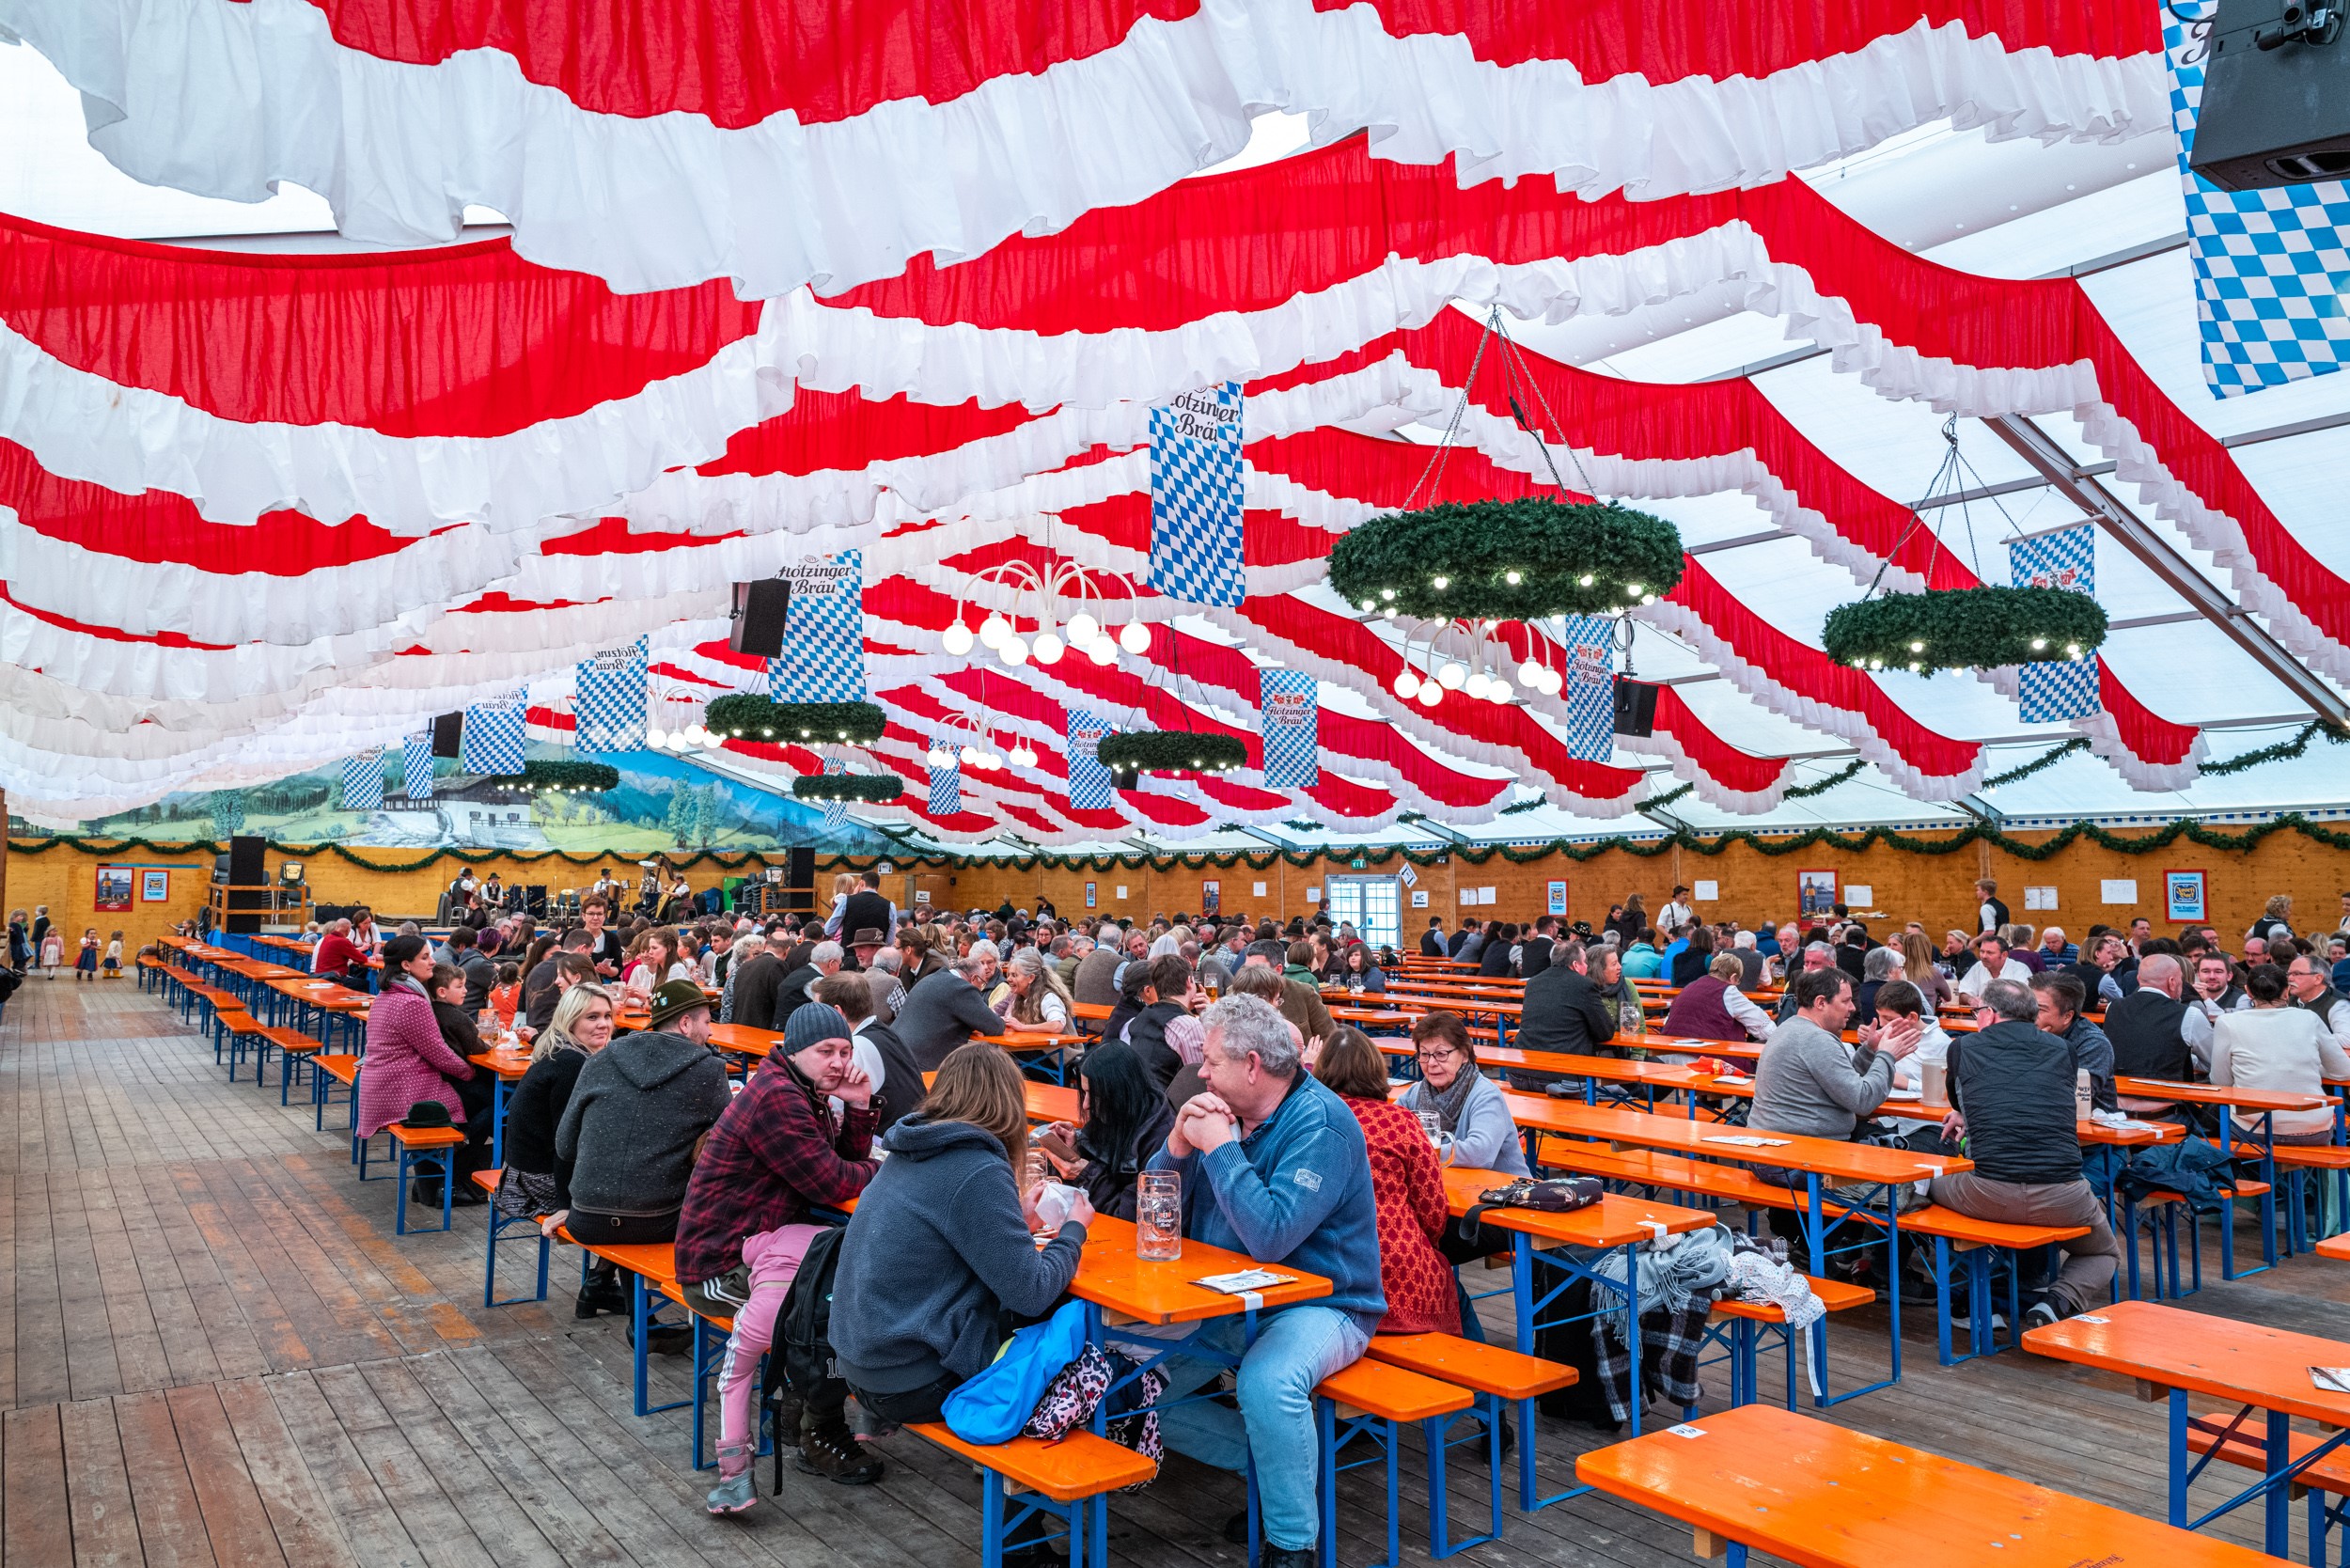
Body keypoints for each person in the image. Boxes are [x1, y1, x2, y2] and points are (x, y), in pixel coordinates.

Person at [1144, 996, 1384, 1568]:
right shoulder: (1217, 1115)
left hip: (1326, 1303)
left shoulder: (1321, 1123)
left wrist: (1221, 1150)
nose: (1200, 1072)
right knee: (1140, 1391)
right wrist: (1176, 1148)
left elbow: (1271, 1235)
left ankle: (1292, 1545)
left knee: (1268, 1382)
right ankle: (1280, 1463)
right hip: (1228, 1298)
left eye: (1210, 1061)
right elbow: (1151, 1215)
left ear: (1252, 1064)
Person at [677, 1003, 884, 1503]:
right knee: (822, 1317)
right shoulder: (777, 1098)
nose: (838, 1061)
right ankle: (818, 1433)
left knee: (832, 1294)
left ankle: (800, 1414)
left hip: (767, 1250)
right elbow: (833, 1180)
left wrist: (858, 1103)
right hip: (720, 1264)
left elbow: (840, 1164)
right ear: (795, 1051)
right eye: (825, 1051)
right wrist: (884, 1173)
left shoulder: (799, 1089)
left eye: (844, 1050)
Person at [830, 1043, 1093, 1428]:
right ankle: (1020, 1478)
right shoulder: (977, 1167)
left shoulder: (912, 1147)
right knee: (1072, 1326)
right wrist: (1074, 1230)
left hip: (859, 1365)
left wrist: (1013, 1218)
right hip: (913, 1381)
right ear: (1007, 1102)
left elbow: (939, 1232)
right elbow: (1031, 1292)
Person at [1930, 979, 2123, 1328]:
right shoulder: (2063, 1050)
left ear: (1988, 1014)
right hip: (2064, 1193)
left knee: (1924, 1183)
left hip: (1986, 1191)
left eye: (1976, 1012)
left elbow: (1960, 1103)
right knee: (2102, 1251)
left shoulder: (1963, 1048)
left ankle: (1972, 1298)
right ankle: (2059, 1299)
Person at [553, 979, 734, 1308]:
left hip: (586, 1219)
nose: (710, 1033)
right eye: (708, 1022)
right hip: (660, 1222)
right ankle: (713, 1312)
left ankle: (630, 1311)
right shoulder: (709, 1070)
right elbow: (723, 1155)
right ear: (685, 1023)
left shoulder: (599, 1060)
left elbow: (564, 1147)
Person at [1314, 1027, 1456, 1336]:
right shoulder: (1400, 1121)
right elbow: (1433, 1210)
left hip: (1323, 1268)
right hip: (1394, 1268)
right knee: (1451, 1286)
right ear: (1375, 1069)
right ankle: (1477, 1376)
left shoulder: (1309, 1119)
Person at [496, 983, 628, 1315]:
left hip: (528, 1169)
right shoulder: (572, 1064)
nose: (604, 1024)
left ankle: (602, 1284)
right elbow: (565, 1144)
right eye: (592, 1017)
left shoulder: (564, 1052)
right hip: (536, 1180)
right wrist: (570, 1204)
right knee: (636, 1202)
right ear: (570, 1021)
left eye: (608, 1016)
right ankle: (605, 1286)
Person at [356, 936, 491, 1203]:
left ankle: (431, 1184)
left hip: (382, 1086)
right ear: (406, 965)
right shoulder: (412, 1001)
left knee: (477, 1100)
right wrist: (469, 1072)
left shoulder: (389, 994)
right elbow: (438, 1052)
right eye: (425, 957)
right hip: (400, 1091)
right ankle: (454, 1178)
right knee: (495, 1104)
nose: (432, 961)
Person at [1748, 966, 1919, 1156]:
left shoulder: (1789, 1028)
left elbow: (1844, 1086)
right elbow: (1863, 1101)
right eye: (1846, 1001)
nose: (1853, 1007)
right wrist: (1886, 1056)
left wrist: (1870, 1050)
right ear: (1821, 1002)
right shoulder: (1816, 1039)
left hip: (1775, 1149)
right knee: (1904, 1162)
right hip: (1800, 1156)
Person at [1033, 1040, 1177, 1219]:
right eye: (1084, 1093)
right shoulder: (1114, 1116)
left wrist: (1085, 1173)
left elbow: (1133, 1217)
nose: (1086, 1105)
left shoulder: (1160, 1140)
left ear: (1123, 1093)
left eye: (1096, 1096)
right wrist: (1075, 1150)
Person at [2211, 964, 2350, 1148]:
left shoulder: (2228, 1022)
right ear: (2287, 991)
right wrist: (2307, 1066)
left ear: (2248, 992)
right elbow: (2343, 1071)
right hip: (2313, 1127)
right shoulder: (2309, 1018)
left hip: (2253, 1128)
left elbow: (2220, 1081)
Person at [1396, 1011, 1528, 1178]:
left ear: (1464, 1054)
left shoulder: (1486, 1095)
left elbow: (1480, 1153)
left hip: (1506, 1193)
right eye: (1424, 1054)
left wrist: (1419, 1151)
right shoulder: (1416, 1093)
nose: (1431, 1063)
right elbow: (1389, 1127)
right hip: (1452, 1187)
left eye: (1441, 1054)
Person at [1508, 940, 1616, 1090]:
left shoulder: (1533, 983)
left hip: (1518, 1074)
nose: (1587, 967)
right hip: (1559, 1078)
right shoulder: (1584, 985)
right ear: (1576, 965)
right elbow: (1605, 1031)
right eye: (1585, 962)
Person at [895, 948, 1010, 1072]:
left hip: (896, 1053)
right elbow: (995, 1026)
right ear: (974, 978)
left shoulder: (932, 978)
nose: (981, 989)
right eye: (981, 983)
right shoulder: (961, 988)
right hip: (920, 1065)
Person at [2104, 952, 2211, 1083]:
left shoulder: (2112, 1007)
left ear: (2139, 979)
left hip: (2117, 1094)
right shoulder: (2190, 1014)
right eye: (2180, 979)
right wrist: (2186, 1058)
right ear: (2172, 982)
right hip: (2169, 1098)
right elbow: (2213, 1061)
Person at [2029, 970, 2116, 1113]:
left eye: (2040, 1009)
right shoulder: (2022, 1032)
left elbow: (2073, 1096)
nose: (2030, 1014)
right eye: (2028, 1006)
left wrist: (2041, 1046)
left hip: (2088, 1127)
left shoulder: (2093, 1043)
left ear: (2067, 1016)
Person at [1662, 952, 1773, 1043]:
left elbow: (1667, 1021)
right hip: (1704, 1058)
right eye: (1738, 981)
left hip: (1667, 1052)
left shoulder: (1690, 986)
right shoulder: (1728, 991)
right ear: (1733, 977)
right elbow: (1761, 1023)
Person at [996, 946, 1073, 1033]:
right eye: (1008, 975)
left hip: (1059, 1046)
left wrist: (1022, 1027)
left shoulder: (1048, 997)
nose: (1008, 979)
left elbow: (1057, 1026)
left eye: (1014, 975)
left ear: (1031, 978)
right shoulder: (1019, 996)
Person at [1956, 933, 2030, 1004]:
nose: (1984, 956)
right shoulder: (1978, 966)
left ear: (2004, 955)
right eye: (1982, 951)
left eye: (1990, 953)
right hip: (1981, 1015)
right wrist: (1971, 1000)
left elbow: (2025, 999)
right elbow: (1963, 992)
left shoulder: (2020, 970)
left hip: (2011, 1016)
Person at [578, 900, 624, 979]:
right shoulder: (571, 935)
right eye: (591, 914)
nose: (595, 918)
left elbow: (618, 967)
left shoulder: (612, 938)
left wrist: (608, 971)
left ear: (604, 916)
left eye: (599, 914)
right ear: (583, 916)